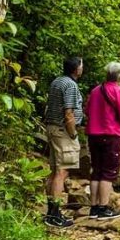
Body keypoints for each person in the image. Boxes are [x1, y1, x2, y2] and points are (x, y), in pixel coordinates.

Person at [84, 61, 120, 220]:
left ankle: (94, 208)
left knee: (96, 170)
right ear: (119, 75)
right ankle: (103, 208)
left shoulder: (96, 91)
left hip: (93, 135)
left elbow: (87, 110)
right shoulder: (119, 91)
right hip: (111, 136)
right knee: (108, 172)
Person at [44, 57, 84, 228]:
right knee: (62, 172)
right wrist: (73, 134)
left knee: (54, 171)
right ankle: (55, 214)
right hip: (63, 131)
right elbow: (69, 113)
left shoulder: (57, 81)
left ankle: (50, 212)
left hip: (53, 128)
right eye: (82, 66)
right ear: (76, 69)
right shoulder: (70, 85)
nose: (83, 69)